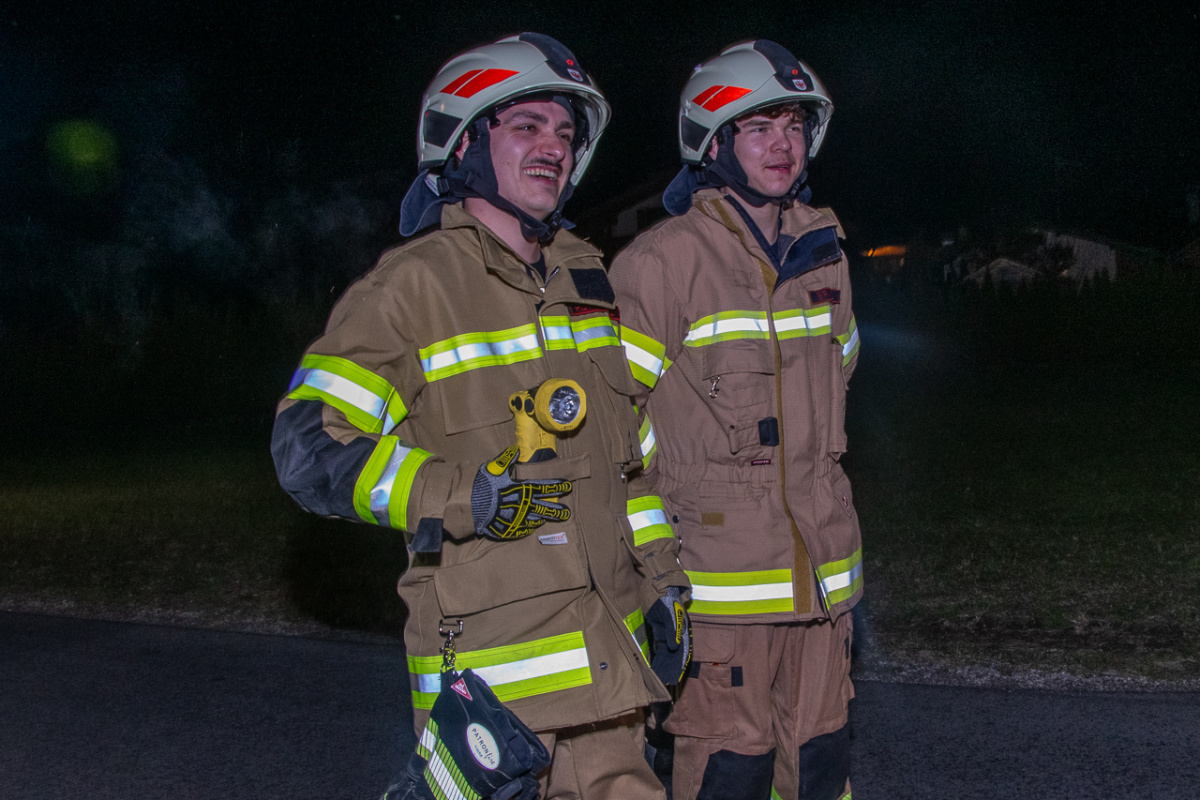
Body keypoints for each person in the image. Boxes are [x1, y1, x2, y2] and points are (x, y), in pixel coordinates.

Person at [270, 33, 691, 800]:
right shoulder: (411, 289)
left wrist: (663, 581)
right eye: (526, 126)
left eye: (565, 132)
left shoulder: (586, 284)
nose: (553, 147)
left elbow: (632, 457)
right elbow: (307, 448)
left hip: (610, 678)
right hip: (496, 698)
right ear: (462, 146)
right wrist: (458, 494)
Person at [609, 40, 862, 800]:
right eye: (758, 127)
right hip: (717, 594)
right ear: (713, 143)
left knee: (819, 772)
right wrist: (654, 563)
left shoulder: (826, 255)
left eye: (793, 125)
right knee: (730, 774)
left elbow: (841, 377)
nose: (783, 144)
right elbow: (616, 425)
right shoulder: (662, 263)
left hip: (823, 586)